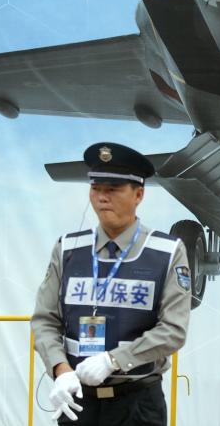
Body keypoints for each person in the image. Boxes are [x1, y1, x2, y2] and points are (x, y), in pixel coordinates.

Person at [31, 142, 192, 425]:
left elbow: (173, 331)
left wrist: (114, 360)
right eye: (96, 189)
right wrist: (61, 369)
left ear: (138, 194)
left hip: (137, 404)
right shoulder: (68, 249)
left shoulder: (166, 252)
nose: (102, 198)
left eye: (113, 189)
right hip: (78, 400)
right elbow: (44, 320)